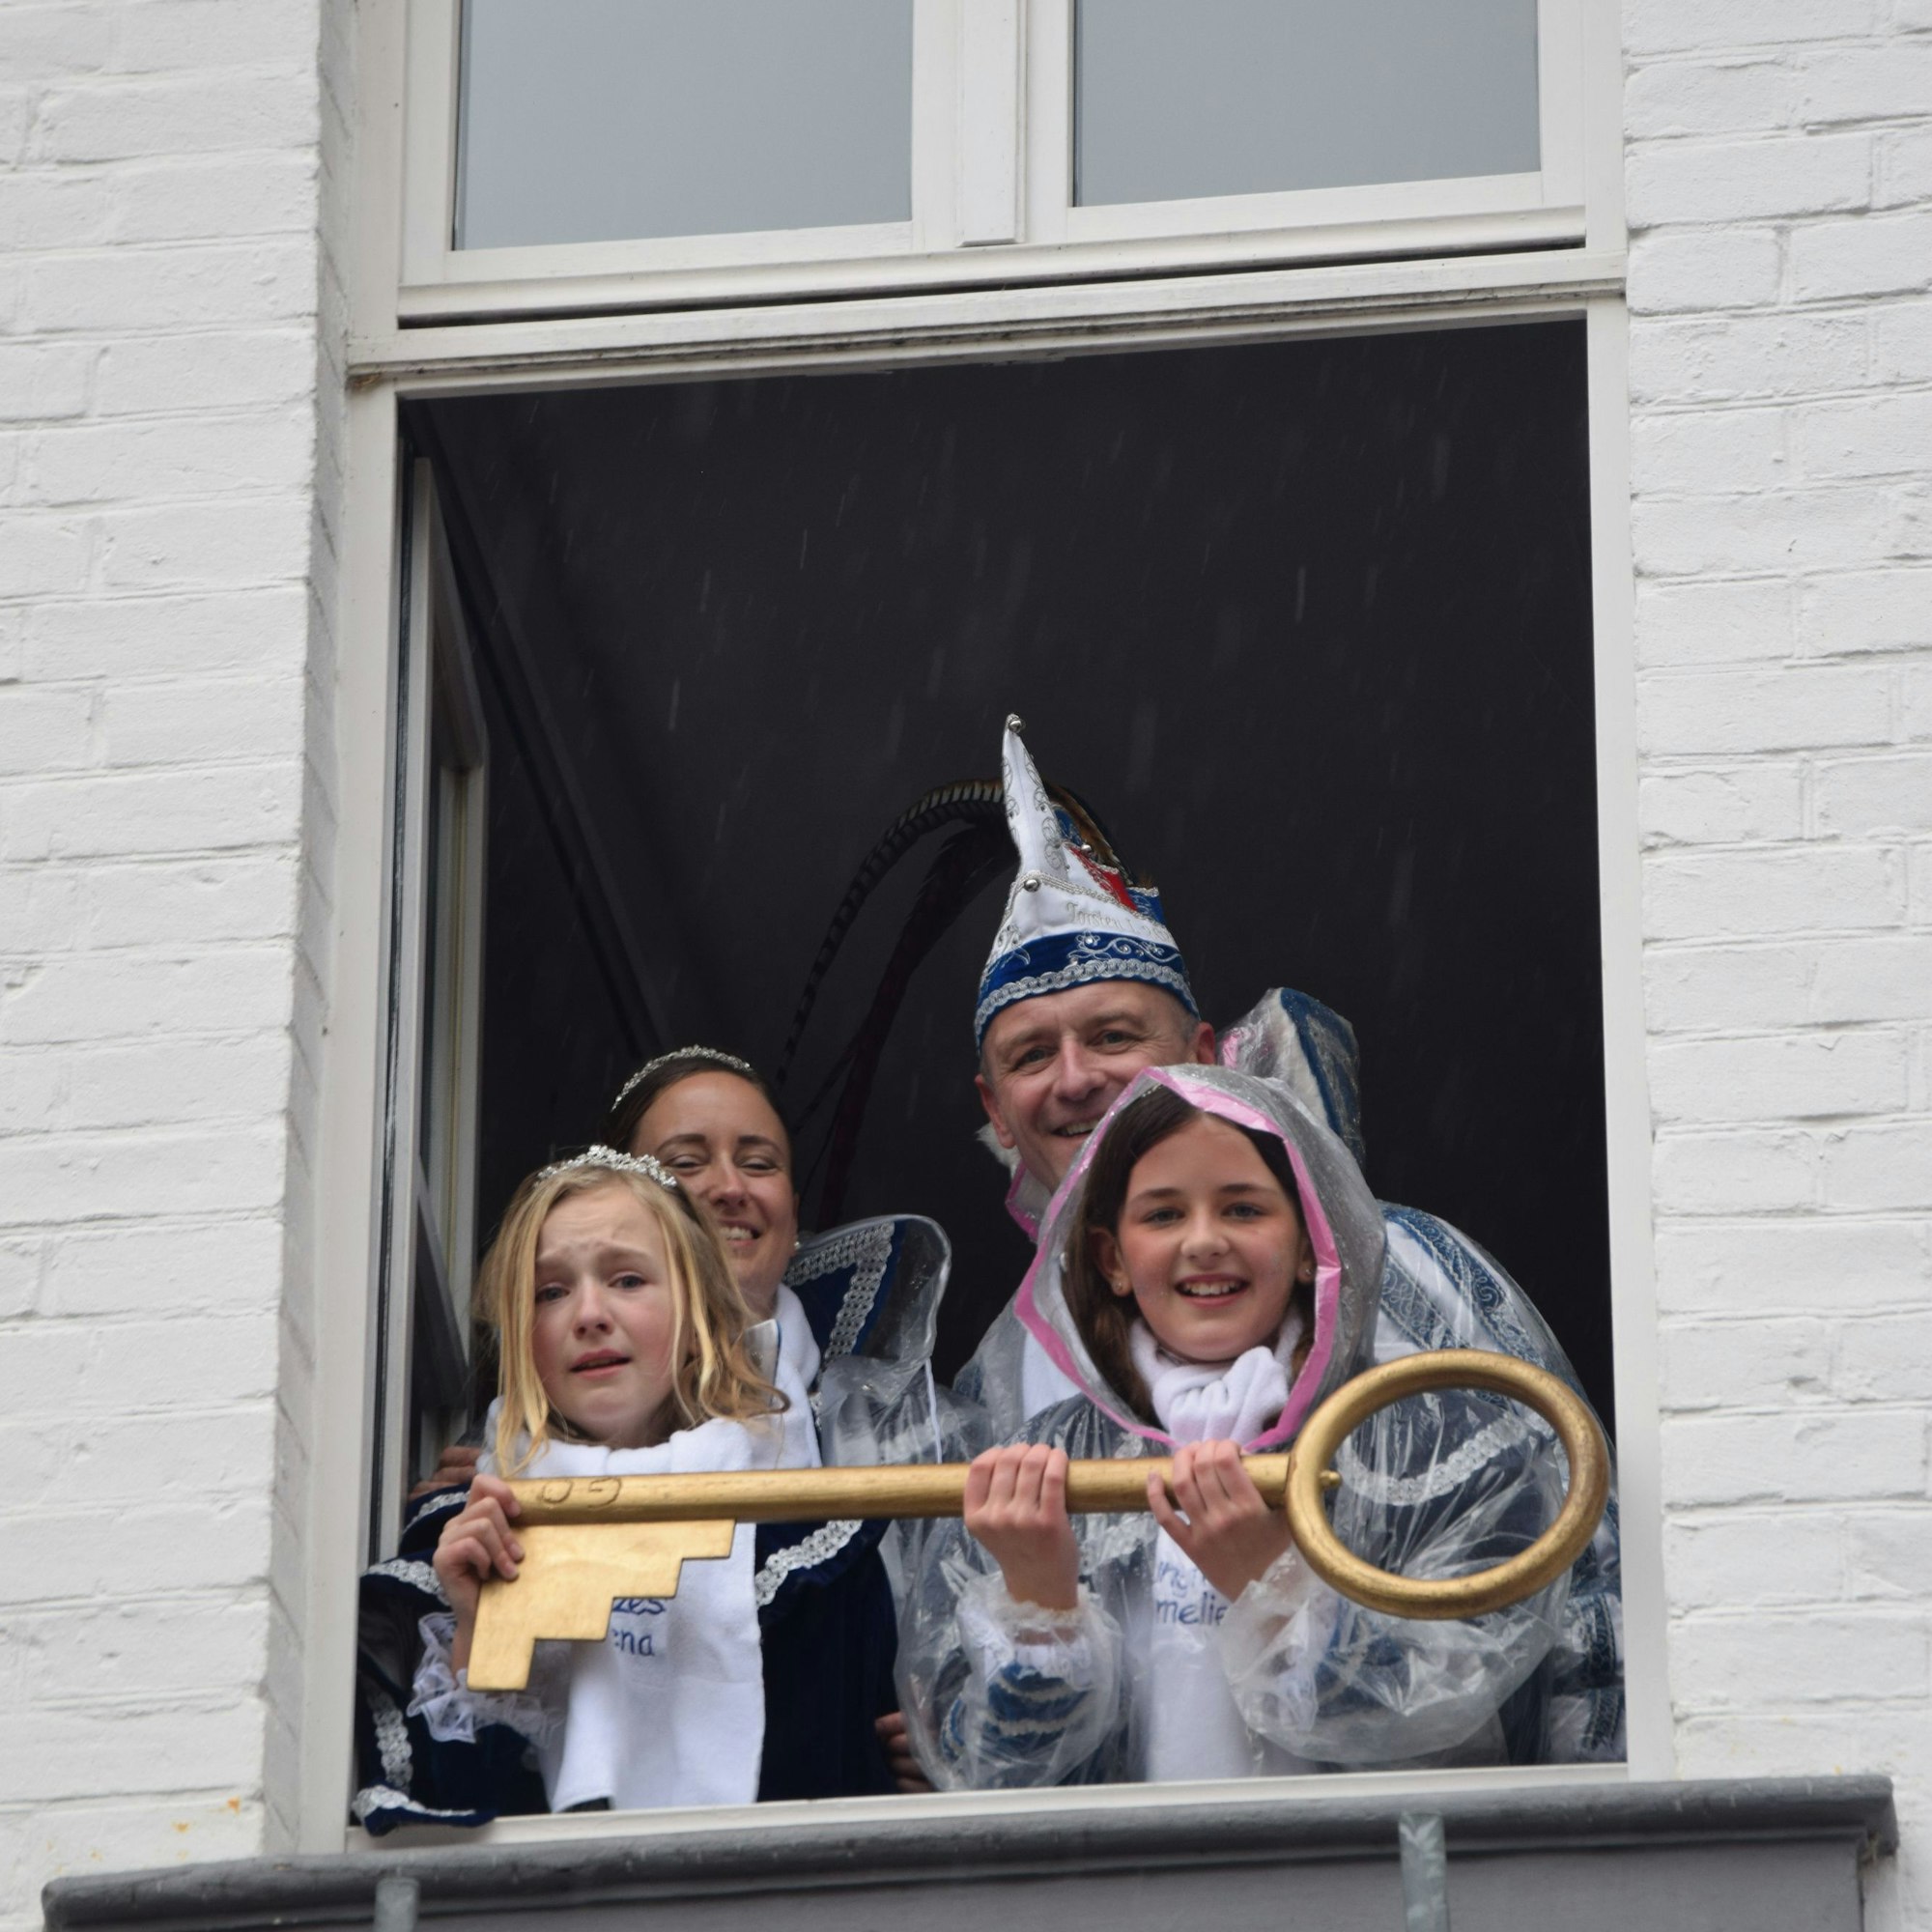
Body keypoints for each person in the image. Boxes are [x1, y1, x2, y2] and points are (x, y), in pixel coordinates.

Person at [896, 1065, 1624, 1789]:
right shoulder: (1041, 1470)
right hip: (1131, 1869)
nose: (1204, 1241)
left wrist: (1274, 1585)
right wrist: (1041, 1608)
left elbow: (1447, 1724)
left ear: (1312, 1241)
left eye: (1243, 1209)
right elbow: (983, 1777)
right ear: (1111, 1259)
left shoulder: (1443, 1448)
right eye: (1163, 1215)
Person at [352, 1147, 899, 1831]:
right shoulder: (467, 1537)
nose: (588, 1314)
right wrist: (474, 1631)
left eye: (628, 1279)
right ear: (522, 1340)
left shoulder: (812, 1546)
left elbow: (851, 1798)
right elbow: (452, 1822)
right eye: (550, 1292)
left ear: (698, 1317)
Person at [956, 717, 1366, 1435]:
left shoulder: (1405, 1271)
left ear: (1204, 1057)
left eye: (1113, 1036)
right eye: (1033, 1055)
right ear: (996, 1110)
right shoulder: (1000, 1378)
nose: (1075, 1079)